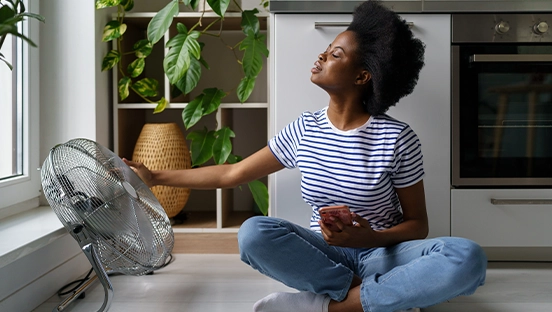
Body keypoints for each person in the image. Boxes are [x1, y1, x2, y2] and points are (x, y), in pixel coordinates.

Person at [124, 1, 487, 311]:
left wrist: (369, 238)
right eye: (327, 49)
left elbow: (417, 225)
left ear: (362, 76)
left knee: (466, 256)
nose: (322, 56)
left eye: (335, 55)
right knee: (253, 233)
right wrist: (155, 177)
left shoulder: (397, 138)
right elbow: (230, 174)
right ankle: (378, 298)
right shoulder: (305, 129)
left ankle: (328, 305)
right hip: (324, 255)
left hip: (383, 254)